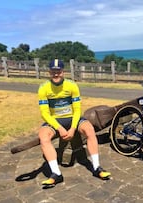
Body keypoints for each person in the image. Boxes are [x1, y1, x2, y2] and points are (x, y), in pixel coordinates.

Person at [38, 59, 111, 187]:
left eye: (58, 71)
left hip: (72, 118)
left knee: (89, 130)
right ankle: (56, 173)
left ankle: (97, 167)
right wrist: (59, 128)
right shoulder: (43, 88)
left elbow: (77, 109)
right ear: (49, 72)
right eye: (53, 71)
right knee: (43, 137)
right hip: (55, 120)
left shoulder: (71, 85)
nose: (56, 74)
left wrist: (72, 128)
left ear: (63, 72)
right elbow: (45, 113)